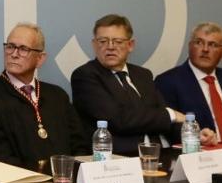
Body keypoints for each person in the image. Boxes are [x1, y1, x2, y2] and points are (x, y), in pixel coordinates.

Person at [0, 22, 83, 169]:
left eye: (23, 49)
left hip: (65, 179)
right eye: (10, 46)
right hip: (15, 182)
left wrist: (70, 175)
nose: (14, 54)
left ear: (40, 58)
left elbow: (80, 146)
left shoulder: (58, 95)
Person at [71, 14, 190, 154]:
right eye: (103, 41)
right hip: (120, 157)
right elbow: (120, 119)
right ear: (94, 45)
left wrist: (190, 133)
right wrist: (171, 115)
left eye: (118, 41)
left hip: (160, 152)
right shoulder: (85, 75)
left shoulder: (143, 75)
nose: (110, 47)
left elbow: (159, 115)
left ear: (130, 45)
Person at [155, 22, 222, 145]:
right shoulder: (168, 81)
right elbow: (169, 126)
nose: (205, 49)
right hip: (199, 152)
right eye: (199, 42)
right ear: (190, 46)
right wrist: (197, 137)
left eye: (213, 45)